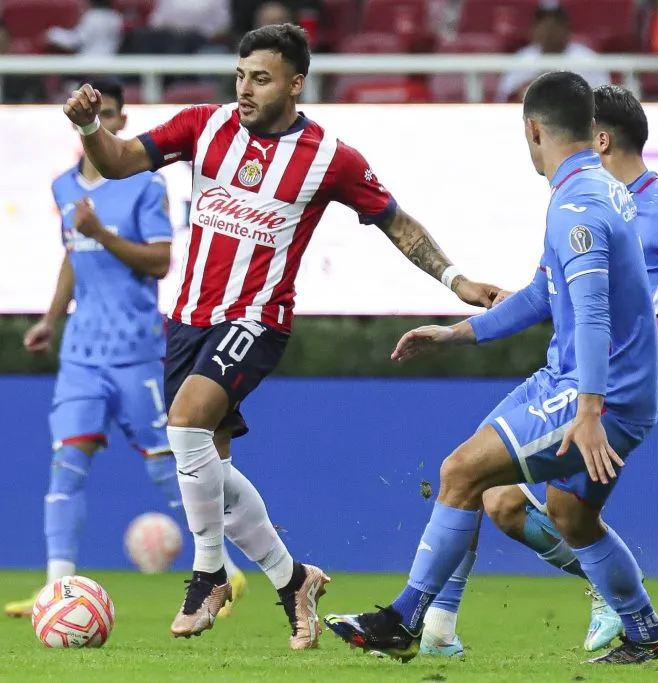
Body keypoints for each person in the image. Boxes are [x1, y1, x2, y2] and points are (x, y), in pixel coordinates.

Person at [61, 24, 498, 649]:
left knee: (184, 426)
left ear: (296, 84)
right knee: (207, 466)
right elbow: (118, 160)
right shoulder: (202, 126)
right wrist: (87, 129)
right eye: (240, 75)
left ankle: (208, 574)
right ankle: (293, 580)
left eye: (260, 78)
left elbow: (396, 222)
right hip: (187, 320)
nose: (244, 89)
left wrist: (455, 280)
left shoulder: (330, 158)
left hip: (256, 319)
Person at [325, 71, 658, 666]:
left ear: (532, 130)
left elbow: (592, 315)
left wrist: (591, 410)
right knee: (570, 515)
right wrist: (458, 333)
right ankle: (648, 636)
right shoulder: (601, 191)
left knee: (461, 471)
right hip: (610, 387)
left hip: (594, 392)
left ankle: (406, 620)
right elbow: (545, 294)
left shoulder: (577, 206)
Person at [417, 84, 658, 659]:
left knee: (474, 476)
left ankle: (427, 624)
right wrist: (467, 327)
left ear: (599, 138)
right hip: (571, 377)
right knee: (522, 505)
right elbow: (550, 293)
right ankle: (637, 626)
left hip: (612, 391)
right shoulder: (590, 202)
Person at [4, 78, 245, 619]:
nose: (104, 125)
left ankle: (222, 572)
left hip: (137, 350)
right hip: (81, 354)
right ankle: (56, 590)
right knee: (66, 463)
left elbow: (160, 263)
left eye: (111, 115)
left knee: (169, 467)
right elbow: (72, 253)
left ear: (122, 118)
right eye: (95, 116)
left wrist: (102, 232)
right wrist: (50, 318)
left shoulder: (142, 186)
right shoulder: (64, 186)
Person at [496, 3, 610, 104]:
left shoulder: (588, 60)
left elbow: (603, 101)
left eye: (556, 24)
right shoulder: (521, 60)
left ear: (567, 28)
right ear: (533, 29)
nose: (549, 31)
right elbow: (505, 100)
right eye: (543, 25)